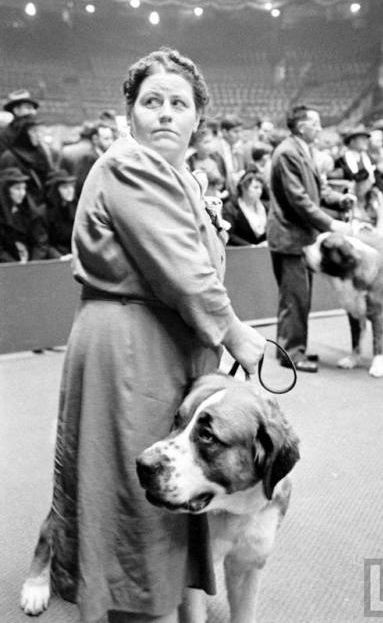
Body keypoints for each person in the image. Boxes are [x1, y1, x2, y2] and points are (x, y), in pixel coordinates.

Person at [45, 47, 266, 623]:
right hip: (130, 351)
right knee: (134, 492)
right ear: (130, 115)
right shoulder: (129, 164)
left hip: (162, 348)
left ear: (198, 119)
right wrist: (238, 335)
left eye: (179, 103)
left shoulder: (178, 176)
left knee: (163, 484)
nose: (165, 114)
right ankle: (130, 606)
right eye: (152, 102)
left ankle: (154, 603)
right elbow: (185, 272)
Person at [267, 104, 353, 374]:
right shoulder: (287, 153)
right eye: (315, 123)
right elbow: (299, 200)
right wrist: (332, 223)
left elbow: (319, 188)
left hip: (302, 237)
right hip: (290, 238)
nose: (319, 127)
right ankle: (292, 354)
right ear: (301, 126)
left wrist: (340, 201)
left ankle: (292, 348)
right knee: (295, 299)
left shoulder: (305, 150)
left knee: (298, 298)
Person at [0, 89, 55, 205]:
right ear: (15, 109)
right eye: (28, 108)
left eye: (33, 108)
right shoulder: (4, 136)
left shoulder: (37, 140)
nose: (32, 112)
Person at [0, 167, 56, 262]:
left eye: (24, 188)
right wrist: (15, 265)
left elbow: (40, 242)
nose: (22, 193)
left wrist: (32, 263)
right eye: (17, 189)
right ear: (6, 190)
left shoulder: (30, 213)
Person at [59, 119, 115, 195]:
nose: (111, 142)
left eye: (111, 138)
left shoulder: (102, 156)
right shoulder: (89, 158)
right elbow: (83, 185)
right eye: (106, 139)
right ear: (95, 139)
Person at [223, 170, 268, 246]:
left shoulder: (266, 207)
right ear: (243, 187)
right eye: (256, 187)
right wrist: (251, 246)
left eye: (261, 188)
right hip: (242, 252)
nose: (259, 191)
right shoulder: (230, 208)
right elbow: (230, 236)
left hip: (265, 251)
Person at [44, 169, 78, 256]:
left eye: (71, 186)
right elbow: (44, 244)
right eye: (65, 187)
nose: (70, 190)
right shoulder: (44, 213)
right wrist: (59, 256)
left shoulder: (75, 208)